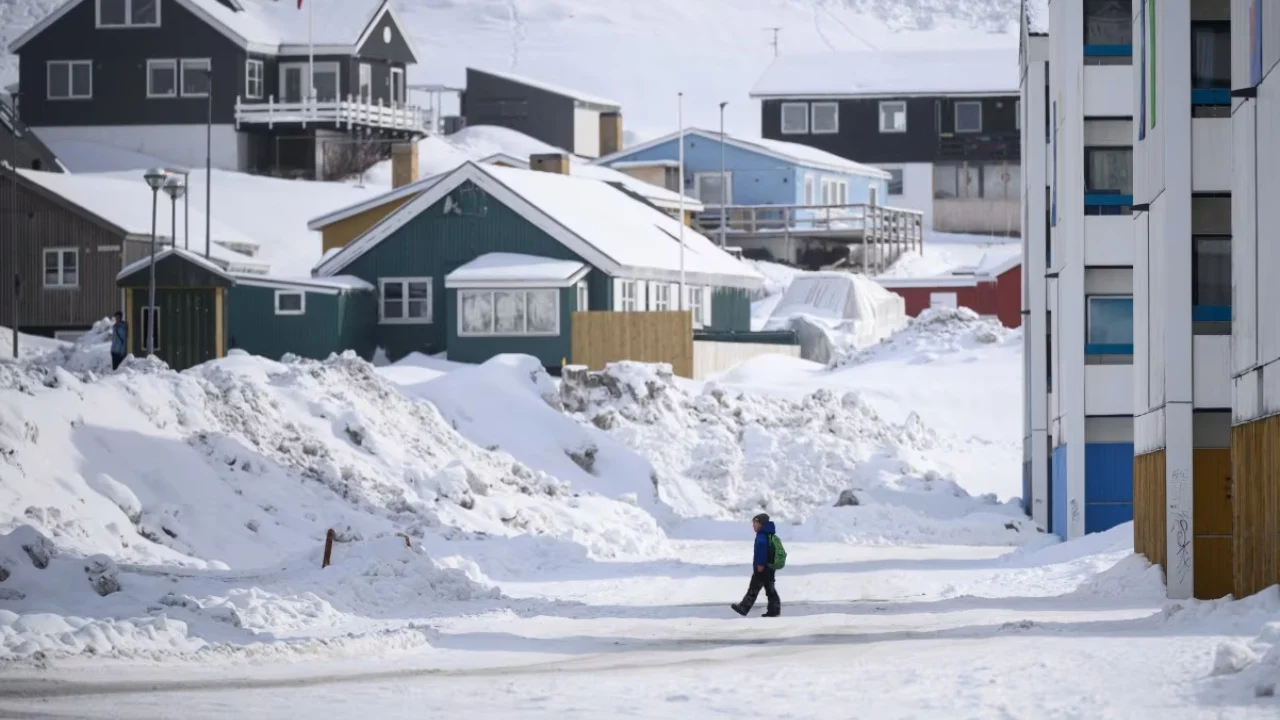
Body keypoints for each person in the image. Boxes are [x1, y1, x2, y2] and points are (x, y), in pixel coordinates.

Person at [731, 512, 782, 617]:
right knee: (770, 589)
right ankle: (774, 610)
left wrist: (760, 564)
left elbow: (762, 552)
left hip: (762, 568)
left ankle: (743, 608)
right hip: (770, 567)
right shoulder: (769, 534)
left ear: (761, 524)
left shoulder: (762, 536)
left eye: (755, 523)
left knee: (753, 588)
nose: (753, 525)